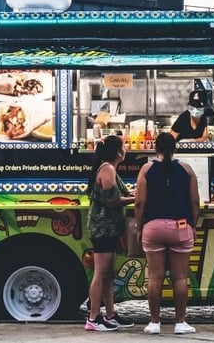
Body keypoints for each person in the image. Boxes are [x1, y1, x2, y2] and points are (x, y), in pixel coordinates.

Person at [133, 132, 200, 335]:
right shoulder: (187, 170)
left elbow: (139, 202)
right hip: (180, 227)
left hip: (153, 227)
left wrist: (139, 225)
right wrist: (192, 225)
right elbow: (195, 202)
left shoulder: (146, 169)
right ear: (175, 148)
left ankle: (154, 322)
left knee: (154, 277)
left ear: (156, 149)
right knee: (180, 278)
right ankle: (180, 322)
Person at [85, 134, 136, 331]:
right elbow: (112, 201)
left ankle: (110, 313)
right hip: (103, 228)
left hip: (108, 228)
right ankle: (94, 317)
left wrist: (130, 194)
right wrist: (136, 198)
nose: (126, 149)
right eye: (124, 146)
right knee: (101, 273)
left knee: (108, 274)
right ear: (117, 151)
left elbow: (116, 195)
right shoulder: (108, 169)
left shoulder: (108, 168)